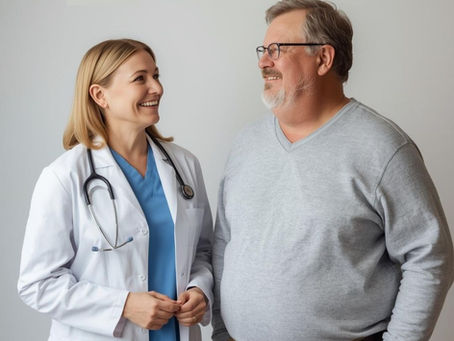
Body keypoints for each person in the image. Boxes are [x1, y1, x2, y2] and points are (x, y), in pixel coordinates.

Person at [212, 1, 454, 340]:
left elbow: (429, 256)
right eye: (263, 50)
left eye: (276, 49)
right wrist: (222, 330)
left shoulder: (383, 148)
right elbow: (225, 239)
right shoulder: (246, 143)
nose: (263, 61)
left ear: (323, 58)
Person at [18, 39, 213, 341]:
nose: (157, 88)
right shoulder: (64, 176)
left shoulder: (184, 165)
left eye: (156, 75)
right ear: (100, 95)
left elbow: (201, 251)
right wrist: (122, 306)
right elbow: (37, 284)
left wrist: (199, 289)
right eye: (140, 78)